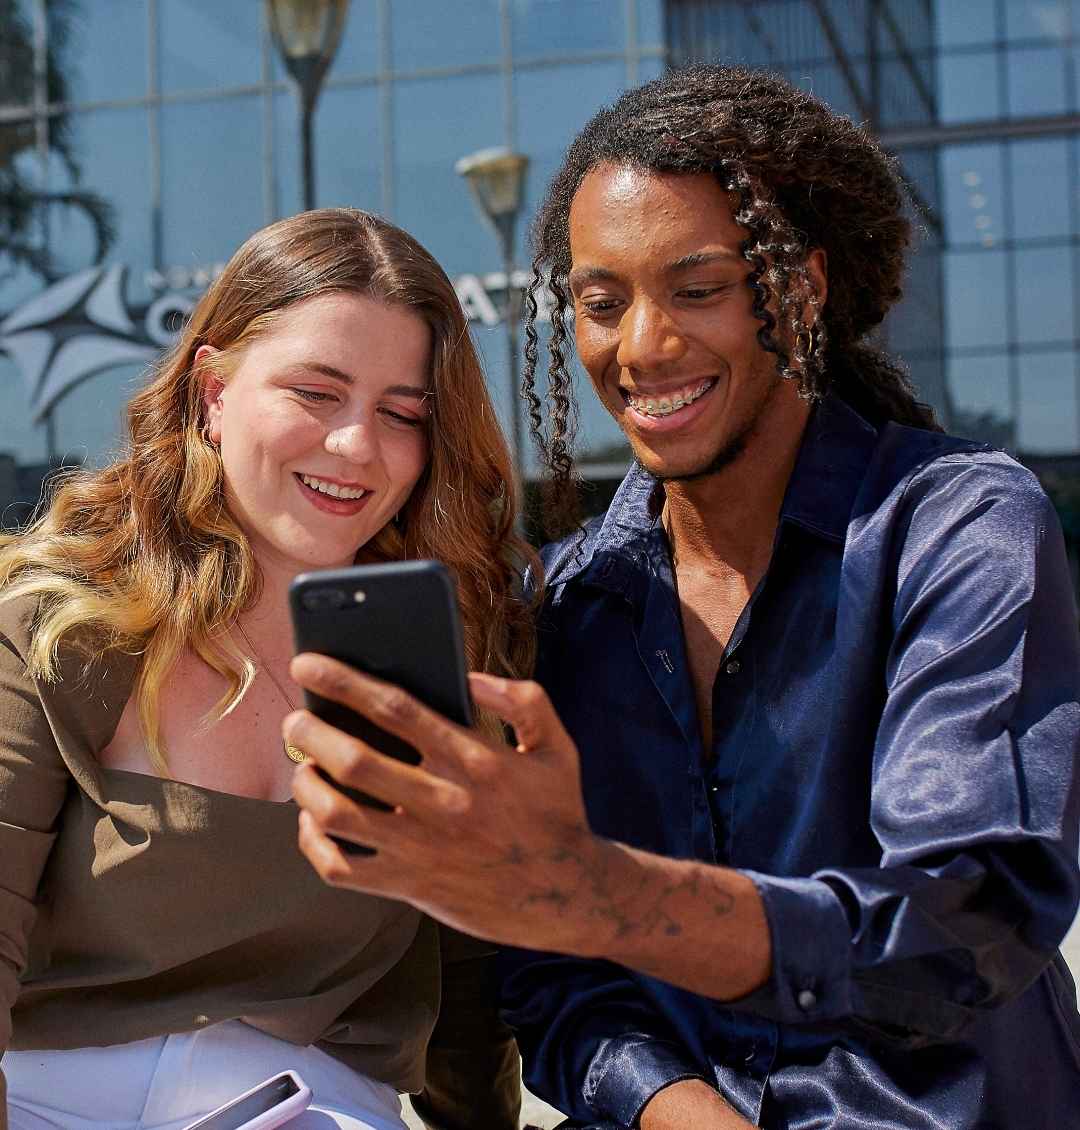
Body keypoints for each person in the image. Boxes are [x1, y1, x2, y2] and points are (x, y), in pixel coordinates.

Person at [288, 67, 1080, 1129]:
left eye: (698, 289)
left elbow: (970, 916)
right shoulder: (569, 601)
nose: (643, 345)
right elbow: (558, 984)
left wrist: (599, 892)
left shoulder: (956, 527)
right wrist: (678, 1105)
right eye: (602, 303)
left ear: (800, 290)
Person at [0, 208, 532, 1130]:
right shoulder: (62, 622)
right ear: (212, 392)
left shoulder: (451, 642)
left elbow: (469, 983)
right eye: (317, 394)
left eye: (401, 413)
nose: (357, 445)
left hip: (313, 1103)